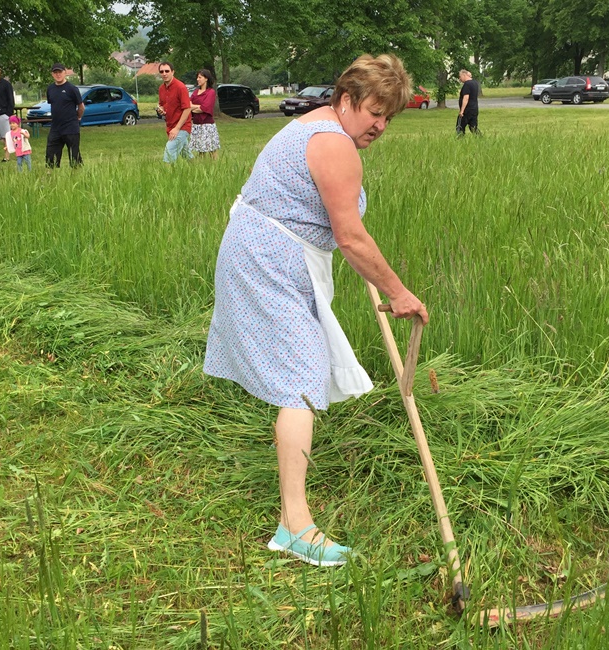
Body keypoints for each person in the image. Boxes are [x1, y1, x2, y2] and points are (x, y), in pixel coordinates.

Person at [204, 54, 427, 567]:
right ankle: (294, 526)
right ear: (347, 100)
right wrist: (399, 293)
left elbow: (324, 220)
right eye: (374, 111)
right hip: (269, 260)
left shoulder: (317, 128)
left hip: (265, 250)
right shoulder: (333, 145)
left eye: (389, 116)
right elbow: (350, 235)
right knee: (300, 379)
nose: (380, 125)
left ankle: (293, 517)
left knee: (299, 376)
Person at [44, 62, 83, 168]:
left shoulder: (72, 89)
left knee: (74, 157)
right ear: (52, 74)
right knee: (50, 157)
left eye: (60, 72)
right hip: (55, 128)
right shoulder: (50, 89)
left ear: (65, 72)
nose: (58, 74)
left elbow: (81, 106)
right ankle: (51, 178)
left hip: (71, 127)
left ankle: (76, 177)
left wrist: (78, 117)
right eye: (55, 72)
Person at [156, 61, 192, 163]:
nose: (164, 74)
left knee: (169, 151)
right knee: (186, 154)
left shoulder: (180, 87)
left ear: (173, 72)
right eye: (162, 71)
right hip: (170, 125)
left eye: (167, 71)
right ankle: (200, 169)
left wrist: (177, 128)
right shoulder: (161, 88)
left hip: (182, 126)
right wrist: (161, 109)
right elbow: (162, 105)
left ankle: (166, 177)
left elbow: (187, 108)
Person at [189, 69, 219, 159]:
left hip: (207, 125)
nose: (198, 79)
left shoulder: (211, 92)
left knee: (211, 150)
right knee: (200, 150)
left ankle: (215, 167)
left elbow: (205, 108)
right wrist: (197, 107)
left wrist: (195, 107)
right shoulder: (195, 92)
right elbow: (188, 105)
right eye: (197, 77)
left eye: (200, 77)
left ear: (206, 79)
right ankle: (202, 167)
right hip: (196, 125)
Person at [456, 69, 480, 136]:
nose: (459, 79)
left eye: (460, 76)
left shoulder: (467, 84)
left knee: (460, 127)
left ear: (464, 75)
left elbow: (466, 98)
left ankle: (460, 141)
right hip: (474, 109)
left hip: (467, 110)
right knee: (473, 127)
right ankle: (480, 139)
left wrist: (462, 111)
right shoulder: (475, 83)